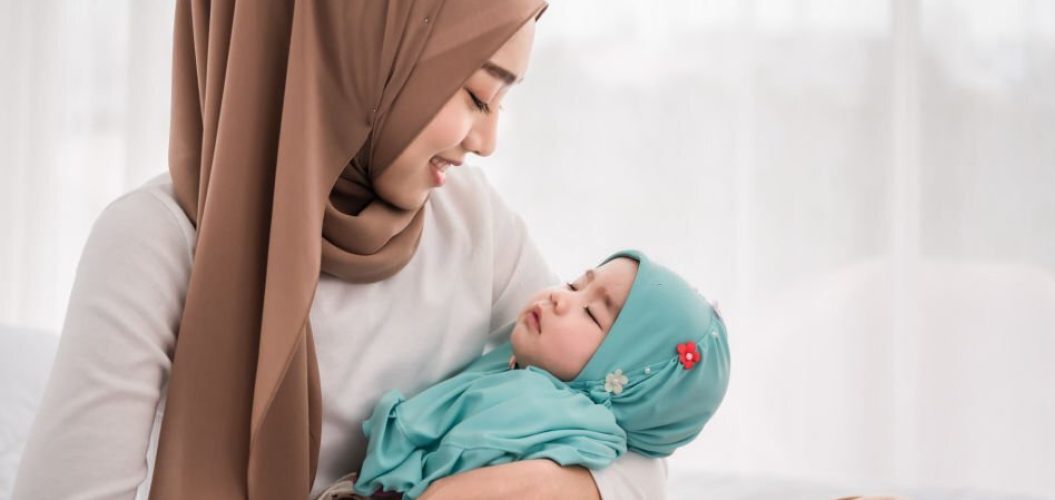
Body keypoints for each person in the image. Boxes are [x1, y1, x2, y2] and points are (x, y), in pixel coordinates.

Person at [12, 1, 669, 499]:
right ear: (366, 56)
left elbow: (643, 446)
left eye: (501, 101)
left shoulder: (472, 226)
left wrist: (499, 489)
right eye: (475, 94)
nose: (488, 141)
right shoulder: (154, 244)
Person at [313, 249, 731, 500]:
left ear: (629, 385)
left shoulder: (564, 432)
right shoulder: (512, 370)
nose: (558, 297)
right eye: (572, 285)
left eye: (590, 312)